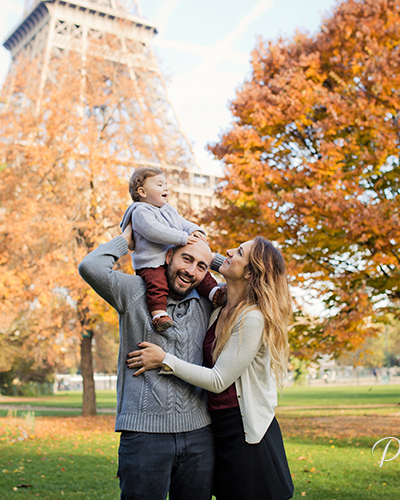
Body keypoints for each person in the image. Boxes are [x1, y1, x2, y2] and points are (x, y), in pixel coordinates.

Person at [127, 236, 295, 500]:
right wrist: (194, 244)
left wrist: (164, 359)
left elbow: (219, 380)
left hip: (245, 431)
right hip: (217, 426)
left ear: (251, 273)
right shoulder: (219, 307)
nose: (227, 252)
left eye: (238, 252)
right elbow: (208, 262)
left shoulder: (252, 318)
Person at [78, 224, 223, 500]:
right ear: (168, 256)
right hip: (144, 436)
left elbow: (251, 278)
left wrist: (207, 251)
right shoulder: (134, 291)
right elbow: (90, 267)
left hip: (199, 435)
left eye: (202, 267)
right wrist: (129, 239)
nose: (191, 271)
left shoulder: (208, 302)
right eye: (186, 258)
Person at [121, 166, 224, 332]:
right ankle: (159, 314)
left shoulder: (168, 210)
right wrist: (182, 238)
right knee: (157, 285)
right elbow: (153, 231)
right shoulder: (140, 212)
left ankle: (215, 293)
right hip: (151, 261)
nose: (166, 188)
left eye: (166, 185)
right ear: (142, 192)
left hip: (171, 259)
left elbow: (182, 223)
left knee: (200, 273)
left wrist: (194, 230)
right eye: (160, 185)